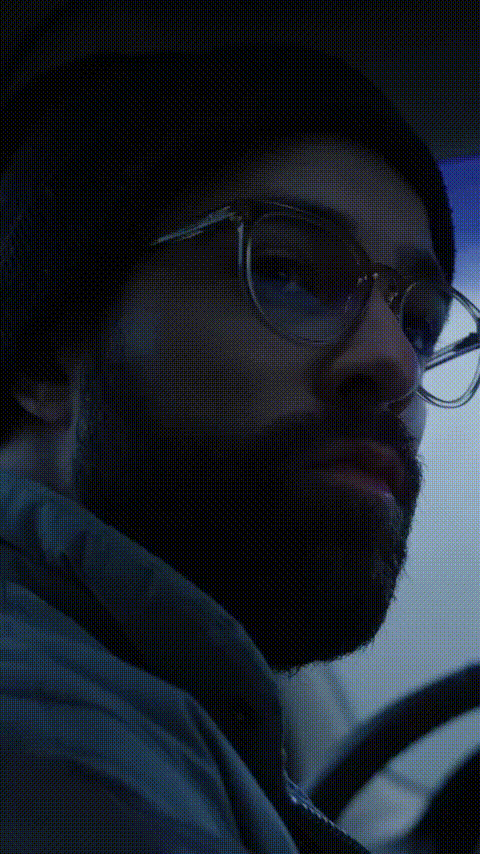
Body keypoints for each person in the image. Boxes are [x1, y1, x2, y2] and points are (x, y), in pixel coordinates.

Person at [0, 44, 459, 853]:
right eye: (284, 271)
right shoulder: (53, 742)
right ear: (45, 356)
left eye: (419, 324)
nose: (393, 364)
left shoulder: (158, 706)